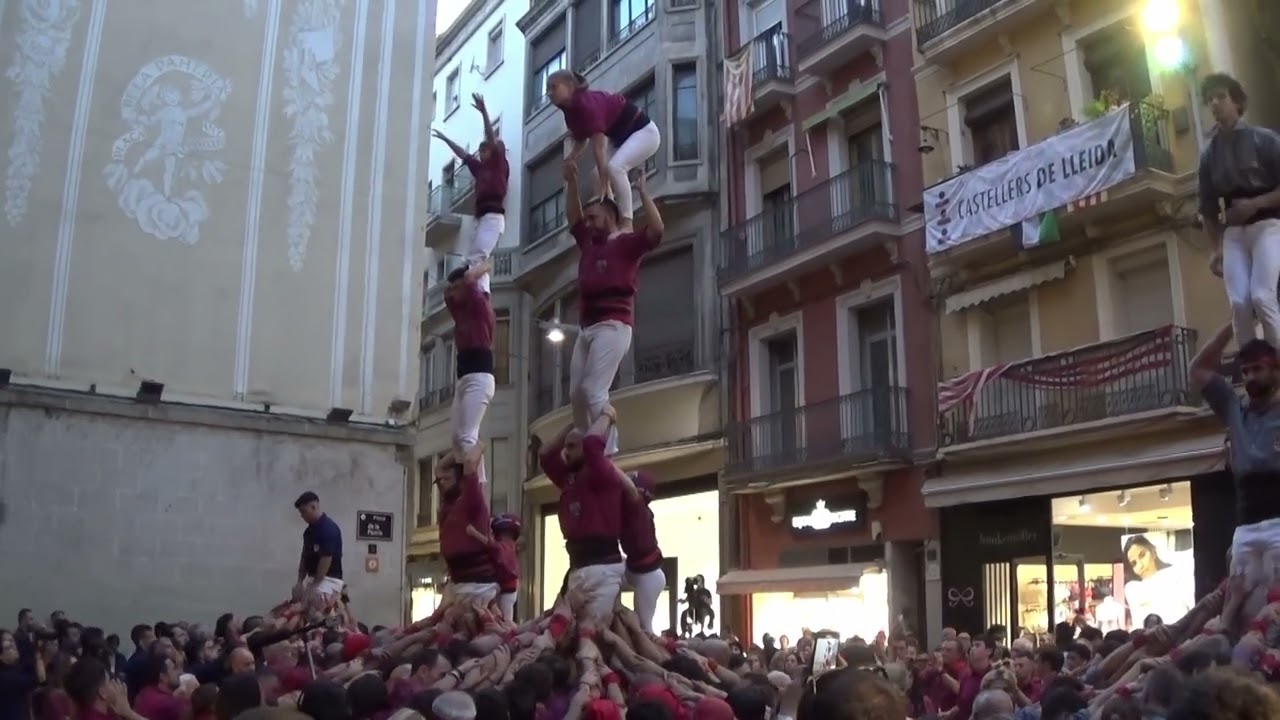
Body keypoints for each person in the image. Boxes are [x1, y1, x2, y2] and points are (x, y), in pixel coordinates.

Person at [562, 161, 664, 455]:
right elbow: (573, 219)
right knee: (576, 395)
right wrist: (571, 183)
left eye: (594, 217)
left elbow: (656, 231)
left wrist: (644, 193)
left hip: (613, 325)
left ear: (611, 216)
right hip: (587, 328)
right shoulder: (590, 244)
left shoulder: (625, 244)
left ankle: (607, 450)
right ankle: (583, 441)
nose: (589, 223)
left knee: (594, 390)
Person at [1189, 323, 1280, 633]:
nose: (1251, 376)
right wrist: (1233, 324)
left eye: (1259, 369)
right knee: (1239, 604)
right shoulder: (1233, 410)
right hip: (1245, 526)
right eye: (1246, 370)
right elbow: (1199, 368)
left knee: (1275, 605)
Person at [1199, 73, 1280, 346]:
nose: (1215, 103)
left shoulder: (1266, 140)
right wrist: (1214, 249)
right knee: (1239, 303)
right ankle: (1252, 365)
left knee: (1261, 295)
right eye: (1210, 99)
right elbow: (1208, 209)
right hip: (1233, 233)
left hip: (1268, 226)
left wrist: (1255, 204)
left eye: (1221, 96)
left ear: (1237, 101)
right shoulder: (1209, 155)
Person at [539, 405, 624, 632]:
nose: (565, 451)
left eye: (571, 446)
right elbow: (546, 453)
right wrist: (574, 420)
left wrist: (607, 415)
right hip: (578, 566)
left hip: (602, 567)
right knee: (568, 631)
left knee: (594, 631)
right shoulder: (569, 478)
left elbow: (593, 445)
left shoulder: (602, 472)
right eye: (566, 446)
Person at [546, 69, 661, 232]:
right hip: (622, 139)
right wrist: (571, 158)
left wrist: (605, 180)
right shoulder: (570, 112)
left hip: (644, 133)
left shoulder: (587, 105)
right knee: (597, 176)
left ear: (570, 86)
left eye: (554, 87)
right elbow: (581, 139)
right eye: (547, 90)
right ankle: (612, 218)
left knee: (614, 168)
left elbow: (599, 146)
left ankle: (627, 222)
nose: (549, 94)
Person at [431, 93, 508, 295]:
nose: (480, 155)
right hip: (481, 216)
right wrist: (446, 139)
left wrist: (484, 112)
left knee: (476, 258)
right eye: (479, 152)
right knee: (475, 258)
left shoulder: (498, 164)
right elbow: (462, 155)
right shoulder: (479, 168)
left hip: (493, 215)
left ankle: (479, 290)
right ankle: (483, 290)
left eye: (484, 151)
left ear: (492, 152)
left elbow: (491, 138)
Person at [443, 259, 496, 486]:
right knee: (457, 439)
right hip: (465, 377)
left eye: (457, 287)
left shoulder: (478, 303)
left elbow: (470, 279)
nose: (452, 293)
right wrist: (456, 283)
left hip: (479, 376)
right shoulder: (460, 308)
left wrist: (485, 265)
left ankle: (477, 487)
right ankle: (472, 483)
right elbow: (448, 293)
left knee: (467, 436)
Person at [436, 444, 500, 609]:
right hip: (460, 582)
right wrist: (458, 451)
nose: (442, 483)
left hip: (477, 586)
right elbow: (440, 468)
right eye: (439, 481)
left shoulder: (471, 500)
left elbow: (470, 464)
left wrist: (473, 444)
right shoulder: (447, 507)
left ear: (459, 480)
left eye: (447, 479)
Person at [617, 469, 666, 634]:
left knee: (644, 628)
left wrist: (606, 465)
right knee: (607, 576)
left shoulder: (638, 510)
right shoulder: (632, 511)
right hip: (634, 568)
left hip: (648, 576)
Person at [293, 491, 345, 617]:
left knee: (315, 604)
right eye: (300, 512)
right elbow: (304, 556)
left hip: (329, 579)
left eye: (304, 511)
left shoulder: (328, 529)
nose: (302, 516)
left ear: (313, 507)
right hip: (313, 577)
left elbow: (326, 559)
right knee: (297, 601)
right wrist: (299, 582)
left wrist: (314, 586)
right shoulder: (309, 532)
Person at [1121, 534, 1192, 625]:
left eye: (1142, 555)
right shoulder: (1133, 589)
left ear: (1153, 553)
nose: (1140, 566)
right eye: (1134, 563)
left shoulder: (1175, 574)